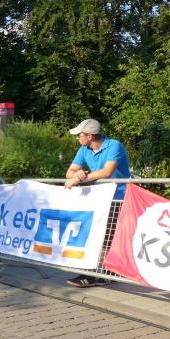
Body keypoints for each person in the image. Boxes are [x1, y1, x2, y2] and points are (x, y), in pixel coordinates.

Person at [64, 118, 131, 288]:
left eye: (80, 135)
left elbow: (107, 172)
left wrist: (81, 178)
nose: (77, 138)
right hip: (100, 197)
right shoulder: (84, 149)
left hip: (118, 196)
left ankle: (99, 273)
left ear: (90, 136)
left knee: (106, 236)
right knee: (95, 233)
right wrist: (77, 175)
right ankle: (98, 273)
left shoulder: (114, 145)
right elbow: (69, 172)